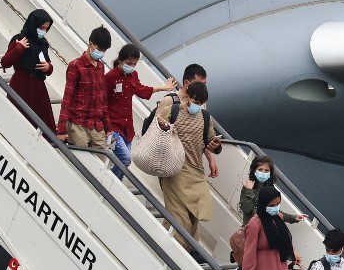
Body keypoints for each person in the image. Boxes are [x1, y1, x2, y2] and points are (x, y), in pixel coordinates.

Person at [156, 79, 223, 250]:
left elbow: (210, 142)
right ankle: (177, 255)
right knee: (179, 219)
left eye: (200, 104)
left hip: (196, 172)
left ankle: (183, 251)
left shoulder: (205, 118)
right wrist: (162, 127)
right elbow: (155, 133)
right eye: (195, 101)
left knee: (195, 216)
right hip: (173, 170)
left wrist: (216, 147)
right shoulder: (172, 111)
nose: (197, 106)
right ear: (187, 97)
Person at [105, 44, 175, 179]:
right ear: (120, 60)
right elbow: (101, 102)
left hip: (127, 129)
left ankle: (114, 185)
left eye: (134, 64)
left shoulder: (133, 75)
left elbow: (141, 90)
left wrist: (164, 88)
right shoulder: (110, 77)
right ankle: (108, 182)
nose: (131, 66)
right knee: (125, 159)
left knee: (122, 163)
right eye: (128, 63)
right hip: (111, 129)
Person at [0, 9, 56, 131]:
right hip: (21, 85)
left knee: (44, 127)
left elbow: (48, 66)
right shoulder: (20, 39)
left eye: (46, 28)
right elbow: (5, 62)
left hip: (38, 88)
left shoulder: (43, 43)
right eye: (41, 27)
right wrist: (18, 48)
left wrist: (48, 67)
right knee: (18, 122)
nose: (43, 31)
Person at [57, 26, 112, 147]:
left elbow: (102, 99)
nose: (101, 53)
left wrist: (108, 126)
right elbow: (67, 98)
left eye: (104, 50)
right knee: (83, 158)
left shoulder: (100, 67)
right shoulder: (75, 66)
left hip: (96, 125)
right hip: (78, 123)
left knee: (101, 159)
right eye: (99, 49)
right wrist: (61, 129)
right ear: (90, 43)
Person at [240, 187, 298, 270]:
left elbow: (284, 240)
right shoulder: (255, 223)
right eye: (271, 205)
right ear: (263, 204)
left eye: (278, 204)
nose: (275, 208)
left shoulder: (278, 218)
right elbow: (249, 252)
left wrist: (293, 253)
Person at [239, 155, 305, 225]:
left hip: (265, 230)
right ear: (254, 170)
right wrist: (249, 190)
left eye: (266, 170)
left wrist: (293, 218)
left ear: (270, 173)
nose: (263, 172)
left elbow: (274, 211)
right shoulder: (248, 188)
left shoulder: (270, 189)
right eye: (260, 169)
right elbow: (246, 209)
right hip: (251, 230)